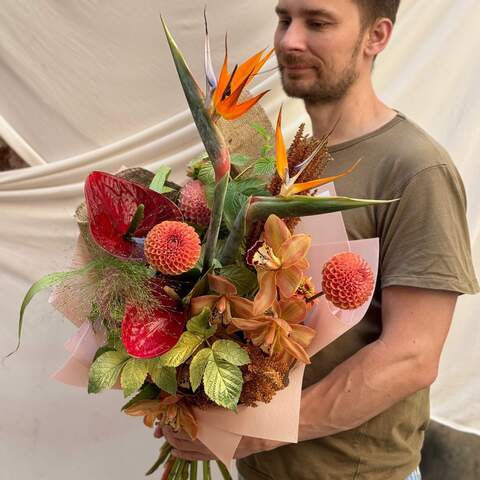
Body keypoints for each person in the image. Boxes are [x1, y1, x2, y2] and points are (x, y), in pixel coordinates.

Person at [158, 1, 479, 478]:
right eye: (284, 19)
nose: (289, 40)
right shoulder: (282, 163)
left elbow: (410, 357)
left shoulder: (414, 169)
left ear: (377, 36)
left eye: (318, 22)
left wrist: (247, 433)